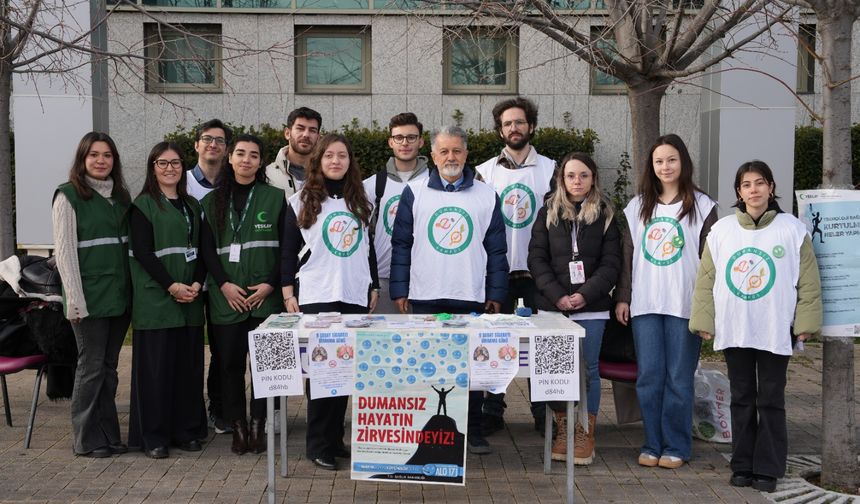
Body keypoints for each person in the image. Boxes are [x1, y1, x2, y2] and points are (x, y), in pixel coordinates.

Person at [690, 161, 822, 492]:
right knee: (743, 397)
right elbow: (706, 278)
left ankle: (769, 466)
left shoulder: (792, 230)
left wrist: (805, 322)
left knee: (771, 399)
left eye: (760, 183)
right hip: (737, 327)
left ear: (771, 188)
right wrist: (704, 320)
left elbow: (808, 279)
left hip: (776, 327)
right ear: (739, 192)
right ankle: (743, 463)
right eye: (746, 184)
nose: (754, 190)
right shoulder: (721, 231)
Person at [390, 125, 508, 455]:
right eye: (444, 151)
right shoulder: (415, 191)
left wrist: (496, 293)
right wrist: (400, 288)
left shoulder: (486, 195)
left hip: (469, 293)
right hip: (425, 294)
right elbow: (401, 244)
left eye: (457, 151)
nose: (450, 157)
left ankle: (471, 429)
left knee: (468, 369)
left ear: (467, 155)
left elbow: (497, 250)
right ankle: (431, 432)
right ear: (433, 156)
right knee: (429, 367)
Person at [614, 133, 717, 469]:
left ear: (683, 162)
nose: (665, 166)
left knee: (678, 377)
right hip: (646, 305)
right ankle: (652, 442)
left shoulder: (703, 206)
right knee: (649, 376)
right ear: (651, 166)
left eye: (671, 159)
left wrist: (707, 310)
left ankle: (676, 445)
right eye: (659, 161)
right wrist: (623, 298)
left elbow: (711, 261)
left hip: (683, 305)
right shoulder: (637, 207)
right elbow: (627, 257)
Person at [281, 134, 379, 471]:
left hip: (353, 294)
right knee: (323, 372)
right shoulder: (300, 201)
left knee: (346, 371)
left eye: (342, 156)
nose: (336, 161)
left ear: (350, 162)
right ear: (319, 161)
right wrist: (287, 291)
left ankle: (336, 440)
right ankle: (317, 444)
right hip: (317, 295)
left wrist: (374, 286)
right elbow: (287, 251)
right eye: (329, 156)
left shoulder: (362, 201)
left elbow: (368, 249)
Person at [528, 152, 620, 465]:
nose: (577, 181)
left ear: (593, 177)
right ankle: (563, 428)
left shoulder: (606, 213)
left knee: (589, 371)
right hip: (552, 309)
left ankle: (584, 432)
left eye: (583, 175)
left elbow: (611, 263)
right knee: (554, 371)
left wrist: (584, 295)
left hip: (591, 308)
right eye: (570, 176)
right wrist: (557, 297)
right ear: (561, 179)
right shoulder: (547, 213)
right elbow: (536, 260)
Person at [199, 134, 285, 455]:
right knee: (230, 368)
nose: (246, 160)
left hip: (267, 299)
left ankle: (258, 426)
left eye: (253, 155)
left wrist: (270, 285)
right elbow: (207, 252)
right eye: (240, 154)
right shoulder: (210, 202)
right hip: (227, 298)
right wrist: (223, 284)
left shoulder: (275, 198)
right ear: (230, 159)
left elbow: (286, 250)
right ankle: (237, 426)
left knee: (267, 369)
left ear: (260, 162)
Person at [476, 96, 556, 435]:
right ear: (500, 131)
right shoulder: (484, 172)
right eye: (507, 123)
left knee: (544, 343)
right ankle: (492, 410)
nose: (514, 128)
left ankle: (544, 412)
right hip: (497, 273)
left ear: (531, 126)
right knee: (494, 342)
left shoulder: (552, 169)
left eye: (519, 122)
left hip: (539, 273)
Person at [52, 132, 132, 458]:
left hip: (118, 297)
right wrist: (75, 300)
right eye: (94, 155)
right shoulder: (68, 196)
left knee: (109, 369)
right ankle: (86, 438)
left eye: (107, 155)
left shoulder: (121, 198)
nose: (101, 161)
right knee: (91, 367)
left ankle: (108, 433)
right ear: (82, 159)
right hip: (88, 300)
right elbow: (65, 254)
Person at [127, 142, 208, 459]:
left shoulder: (192, 206)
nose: (170, 168)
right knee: (157, 373)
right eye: (163, 163)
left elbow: (203, 250)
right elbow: (144, 254)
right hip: (158, 302)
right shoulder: (143, 206)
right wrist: (172, 286)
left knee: (187, 372)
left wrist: (197, 283)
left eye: (175, 163)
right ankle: (154, 437)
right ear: (152, 167)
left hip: (190, 300)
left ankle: (185, 431)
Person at [186, 119, 234, 436]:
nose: (213, 145)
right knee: (189, 349)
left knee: (221, 348)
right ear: (197, 145)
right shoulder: (183, 180)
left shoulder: (234, 183)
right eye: (207, 139)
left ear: (226, 149)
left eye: (219, 140)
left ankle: (220, 409)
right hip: (188, 281)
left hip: (221, 281)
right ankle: (189, 411)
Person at [363, 112, 430, 314]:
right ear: (390, 142)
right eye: (399, 137)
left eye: (411, 137)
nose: (405, 143)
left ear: (421, 142)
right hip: (382, 278)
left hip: (423, 277)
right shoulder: (372, 185)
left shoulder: (434, 182)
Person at [266, 107, 322, 199]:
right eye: (300, 128)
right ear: (287, 133)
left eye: (312, 130)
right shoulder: (268, 176)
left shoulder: (326, 175)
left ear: (318, 138)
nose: (306, 135)